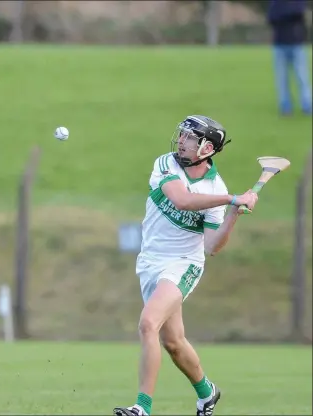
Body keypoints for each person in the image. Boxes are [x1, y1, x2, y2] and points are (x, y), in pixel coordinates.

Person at [113, 115, 258, 416]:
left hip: (184, 264)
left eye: (190, 138)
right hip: (151, 261)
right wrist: (232, 198)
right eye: (182, 134)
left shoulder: (215, 187)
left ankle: (142, 407)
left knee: (148, 324)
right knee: (174, 342)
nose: (181, 140)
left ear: (206, 148)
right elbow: (181, 200)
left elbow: (211, 246)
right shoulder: (167, 163)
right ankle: (207, 393)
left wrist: (232, 213)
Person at [267, 0, 312, 116]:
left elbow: (299, 13)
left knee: (302, 76)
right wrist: (288, 14)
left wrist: (282, 15)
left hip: (296, 43)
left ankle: (307, 105)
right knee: (282, 79)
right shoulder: (275, 2)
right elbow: (271, 18)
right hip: (280, 44)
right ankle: (285, 107)